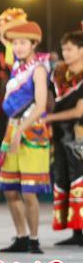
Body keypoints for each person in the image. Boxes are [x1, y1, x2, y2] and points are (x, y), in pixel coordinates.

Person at [0, 12, 50, 254]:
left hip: (32, 131)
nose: (17, 46)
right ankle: (21, 236)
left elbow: (41, 106)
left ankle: (34, 239)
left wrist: (19, 132)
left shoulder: (38, 70)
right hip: (13, 128)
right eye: (15, 43)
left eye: (23, 42)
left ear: (34, 44)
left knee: (29, 192)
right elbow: (5, 41)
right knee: (11, 189)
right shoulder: (18, 65)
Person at [44, 31, 83, 246]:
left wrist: (49, 117)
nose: (65, 53)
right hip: (61, 136)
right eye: (64, 49)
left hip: (79, 137)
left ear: (81, 50)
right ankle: (76, 231)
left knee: (80, 179)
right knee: (65, 179)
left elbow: (80, 111)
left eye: (70, 49)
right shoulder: (60, 75)